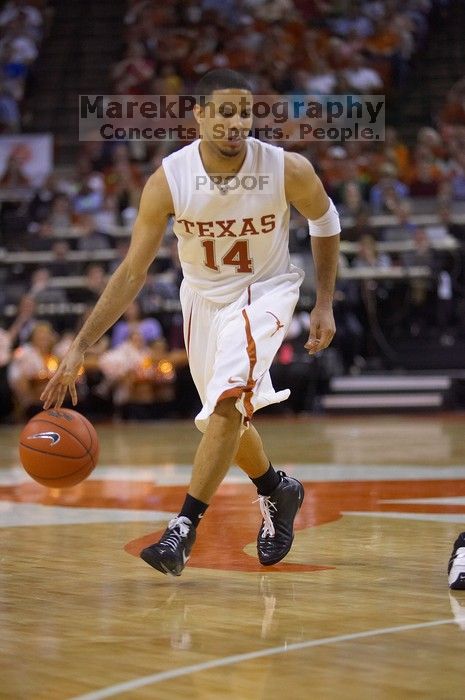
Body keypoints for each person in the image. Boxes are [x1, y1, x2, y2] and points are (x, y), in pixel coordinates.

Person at [40, 69, 340, 577]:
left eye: (243, 112)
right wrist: (81, 344)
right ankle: (275, 487)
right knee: (227, 415)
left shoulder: (285, 168)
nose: (235, 122)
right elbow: (133, 270)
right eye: (223, 112)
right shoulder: (169, 181)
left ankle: (182, 529)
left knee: (226, 402)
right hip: (201, 299)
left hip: (265, 292)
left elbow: (325, 220)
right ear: (198, 115)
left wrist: (324, 301)